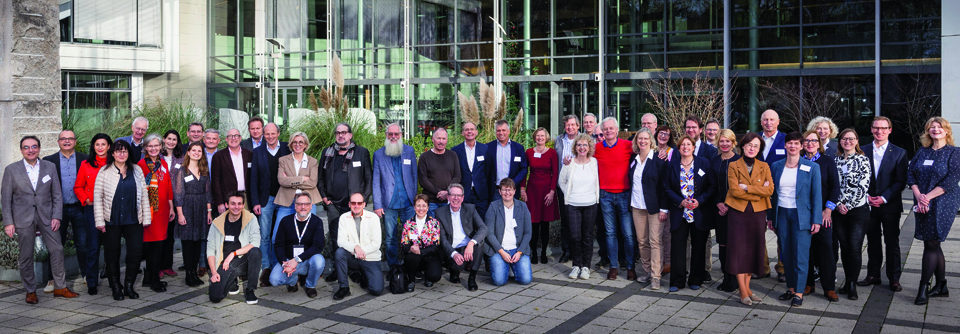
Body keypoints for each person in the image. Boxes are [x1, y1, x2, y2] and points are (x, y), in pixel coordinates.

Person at [2, 136, 79, 304]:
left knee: (57, 249)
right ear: (21, 150)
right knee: (26, 255)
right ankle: (30, 291)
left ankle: (60, 287)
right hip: (23, 218)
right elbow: (6, 199)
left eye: (34, 146)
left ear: (39, 148)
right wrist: (8, 222)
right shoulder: (11, 170)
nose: (31, 150)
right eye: (26, 147)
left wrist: (56, 216)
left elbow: (57, 195)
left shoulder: (49, 167)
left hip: (47, 216)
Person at [908, 117, 960, 305]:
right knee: (933, 243)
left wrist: (927, 197)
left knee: (931, 243)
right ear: (928, 131)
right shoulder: (923, 151)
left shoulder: (954, 152)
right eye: (932, 127)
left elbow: (952, 180)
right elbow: (911, 173)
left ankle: (923, 288)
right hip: (922, 201)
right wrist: (919, 195)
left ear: (947, 131)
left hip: (943, 202)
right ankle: (942, 286)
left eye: (939, 127)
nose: (935, 129)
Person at [768, 131, 823, 307]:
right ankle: (791, 288)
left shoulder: (812, 167)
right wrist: (770, 217)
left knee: (800, 254)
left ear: (801, 146)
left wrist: (816, 220)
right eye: (789, 143)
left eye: (796, 143)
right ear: (785, 145)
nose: (792, 146)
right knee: (786, 253)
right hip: (782, 213)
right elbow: (771, 195)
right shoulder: (776, 166)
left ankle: (799, 292)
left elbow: (817, 195)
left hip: (802, 216)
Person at [94, 140, 152, 301]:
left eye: (124, 151)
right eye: (118, 151)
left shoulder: (137, 170)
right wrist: (99, 221)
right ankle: (115, 287)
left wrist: (146, 217)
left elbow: (144, 197)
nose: (121, 154)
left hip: (133, 219)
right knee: (112, 255)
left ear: (128, 154)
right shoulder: (104, 171)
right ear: (112, 153)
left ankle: (128, 286)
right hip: (111, 220)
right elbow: (97, 198)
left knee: (135, 254)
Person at [319, 123, 373, 283]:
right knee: (337, 238)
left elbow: (368, 178)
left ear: (350, 135)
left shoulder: (361, 152)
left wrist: (363, 199)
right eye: (337, 133)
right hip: (333, 204)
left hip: (354, 205)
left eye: (344, 132)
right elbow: (320, 177)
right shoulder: (327, 152)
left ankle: (357, 269)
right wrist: (324, 197)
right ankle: (338, 269)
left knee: (357, 238)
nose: (340, 135)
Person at [859, 116, 908, 292]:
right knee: (872, 241)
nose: (879, 131)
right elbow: (858, 178)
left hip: (890, 205)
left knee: (891, 242)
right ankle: (873, 275)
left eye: (883, 128)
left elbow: (901, 181)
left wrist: (884, 198)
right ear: (871, 130)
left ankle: (894, 278)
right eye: (876, 128)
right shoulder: (862, 150)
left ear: (890, 130)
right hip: (868, 204)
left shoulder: (899, 152)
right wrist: (867, 197)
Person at [724, 132, 774, 305]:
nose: (752, 148)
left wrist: (748, 188)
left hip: (758, 214)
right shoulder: (733, 165)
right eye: (749, 145)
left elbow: (770, 190)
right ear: (742, 146)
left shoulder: (764, 166)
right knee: (739, 251)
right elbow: (735, 190)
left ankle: (748, 288)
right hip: (738, 214)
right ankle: (742, 291)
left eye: (756, 146)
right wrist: (757, 191)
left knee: (752, 250)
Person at [663, 135, 715, 292]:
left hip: (699, 211)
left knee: (699, 247)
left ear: (693, 147)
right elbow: (666, 187)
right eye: (682, 145)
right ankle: (677, 281)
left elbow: (711, 186)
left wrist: (700, 200)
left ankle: (696, 279)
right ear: (678, 148)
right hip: (680, 211)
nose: (685, 147)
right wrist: (680, 201)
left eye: (688, 144)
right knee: (678, 247)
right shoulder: (672, 165)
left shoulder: (704, 163)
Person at [40, 130, 89, 294]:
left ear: (75, 141)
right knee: (55, 245)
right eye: (63, 139)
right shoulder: (49, 161)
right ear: (58, 141)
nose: (67, 141)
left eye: (70, 139)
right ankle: (52, 279)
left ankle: (86, 274)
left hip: (79, 208)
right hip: (57, 211)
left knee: (82, 244)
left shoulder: (85, 159)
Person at [800, 130, 841, 301]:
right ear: (802, 144)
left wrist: (828, 210)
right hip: (803, 213)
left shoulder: (827, 161)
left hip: (823, 213)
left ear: (819, 143)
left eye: (814, 141)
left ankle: (829, 287)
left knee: (826, 250)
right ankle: (808, 283)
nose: (810, 143)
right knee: (806, 249)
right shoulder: (798, 162)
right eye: (807, 141)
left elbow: (835, 187)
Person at [595, 117, 636, 280]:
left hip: (624, 195)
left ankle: (631, 266)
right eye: (605, 129)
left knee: (628, 234)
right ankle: (613, 266)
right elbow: (581, 155)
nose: (608, 131)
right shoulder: (596, 148)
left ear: (617, 130)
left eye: (611, 128)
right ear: (602, 131)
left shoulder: (627, 146)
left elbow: (645, 151)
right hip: (605, 195)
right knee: (610, 233)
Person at [250, 122, 291, 286]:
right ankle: (266, 267)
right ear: (263, 135)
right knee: (265, 236)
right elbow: (253, 178)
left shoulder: (287, 149)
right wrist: (255, 202)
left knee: (280, 235)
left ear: (278, 133)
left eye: (273, 133)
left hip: (285, 198)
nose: (270, 136)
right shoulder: (258, 151)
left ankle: (279, 264)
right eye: (267, 134)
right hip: (265, 199)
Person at [373, 123, 418, 269]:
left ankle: (409, 265)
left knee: (411, 235)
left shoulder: (409, 151)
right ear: (386, 135)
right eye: (390, 134)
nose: (393, 137)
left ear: (401, 135)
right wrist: (378, 205)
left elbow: (414, 176)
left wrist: (416, 199)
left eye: (396, 134)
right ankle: (393, 267)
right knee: (390, 238)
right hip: (389, 203)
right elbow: (376, 181)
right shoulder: (378, 154)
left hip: (408, 202)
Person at [833, 128, 871, 300]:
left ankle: (853, 284)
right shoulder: (835, 161)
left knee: (855, 247)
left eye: (850, 139)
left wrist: (847, 204)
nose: (847, 141)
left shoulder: (863, 160)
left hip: (858, 211)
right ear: (840, 142)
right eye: (843, 139)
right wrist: (839, 204)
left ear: (856, 141)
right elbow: (833, 185)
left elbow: (863, 186)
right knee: (844, 247)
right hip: (838, 211)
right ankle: (847, 281)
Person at [628, 128, 667, 289]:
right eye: (640, 139)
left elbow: (665, 186)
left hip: (655, 207)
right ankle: (647, 271)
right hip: (637, 206)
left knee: (655, 241)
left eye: (645, 138)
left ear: (651, 140)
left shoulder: (659, 159)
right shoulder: (633, 159)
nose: (642, 141)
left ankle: (656, 276)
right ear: (636, 141)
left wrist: (664, 208)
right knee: (642, 241)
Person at [207, 191, 261, 304]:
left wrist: (233, 253)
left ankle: (250, 291)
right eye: (233, 203)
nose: (236, 207)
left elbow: (255, 242)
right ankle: (232, 282)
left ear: (243, 205)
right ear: (226, 205)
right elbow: (210, 248)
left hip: (243, 260)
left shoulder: (251, 219)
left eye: (239, 204)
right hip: (225, 264)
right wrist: (213, 272)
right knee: (215, 297)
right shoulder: (217, 223)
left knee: (256, 252)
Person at [74, 133, 112, 295]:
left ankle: (113, 279)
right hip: (92, 210)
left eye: (103, 144)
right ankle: (91, 282)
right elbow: (78, 187)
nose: (100, 147)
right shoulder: (86, 164)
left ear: (109, 146)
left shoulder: (115, 163)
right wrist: (86, 199)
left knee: (112, 247)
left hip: (111, 210)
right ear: (93, 146)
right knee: (93, 247)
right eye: (97, 144)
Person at [559, 134, 600, 281]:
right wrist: (569, 195)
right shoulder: (569, 163)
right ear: (575, 147)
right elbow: (561, 181)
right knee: (575, 236)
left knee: (587, 237)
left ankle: (586, 268)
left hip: (590, 204)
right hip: (573, 205)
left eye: (585, 145)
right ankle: (576, 265)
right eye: (579, 145)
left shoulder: (594, 162)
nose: (582, 147)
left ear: (589, 147)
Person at [137, 134, 175, 293]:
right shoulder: (141, 164)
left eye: (156, 145)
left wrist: (171, 206)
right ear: (145, 147)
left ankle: (150, 278)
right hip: (150, 211)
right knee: (153, 246)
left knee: (159, 245)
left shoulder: (163, 162)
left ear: (161, 147)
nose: (153, 148)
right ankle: (153, 279)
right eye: (150, 146)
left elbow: (168, 186)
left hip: (163, 211)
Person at [174, 142, 214, 287]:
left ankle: (195, 272)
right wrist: (180, 213)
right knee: (188, 243)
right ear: (189, 152)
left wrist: (209, 211)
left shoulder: (204, 170)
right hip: (187, 208)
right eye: (194, 150)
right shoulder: (182, 171)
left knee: (198, 241)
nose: (197, 153)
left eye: (199, 151)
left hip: (202, 208)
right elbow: (178, 194)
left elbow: (208, 192)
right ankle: (189, 274)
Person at [270, 193, 326, 297]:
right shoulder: (285, 221)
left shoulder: (317, 222)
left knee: (319, 261)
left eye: (306, 204)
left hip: (306, 260)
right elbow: (278, 245)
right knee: (274, 280)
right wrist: (285, 264)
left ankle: (310, 285)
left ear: (311, 205)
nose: (303, 207)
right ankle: (292, 280)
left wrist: (297, 260)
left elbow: (318, 246)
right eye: (300, 204)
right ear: (295, 206)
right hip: (288, 260)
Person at [333, 193, 384, 299]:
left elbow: (376, 244)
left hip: (370, 257)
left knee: (376, 290)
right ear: (349, 204)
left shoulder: (373, 218)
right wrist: (355, 247)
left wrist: (360, 251)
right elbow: (341, 241)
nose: (356, 206)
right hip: (353, 256)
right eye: (353, 203)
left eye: (359, 203)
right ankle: (344, 288)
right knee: (340, 253)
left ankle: (363, 276)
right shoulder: (344, 218)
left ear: (364, 204)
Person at [436, 183, 487, 291]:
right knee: (456, 265)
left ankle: (472, 278)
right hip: (452, 248)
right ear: (448, 197)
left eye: (459, 195)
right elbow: (443, 240)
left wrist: (471, 243)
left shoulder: (470, 209)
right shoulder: (440, 213)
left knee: (480, 243)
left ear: (463, 198)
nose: (456, 198)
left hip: (467, 246)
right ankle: (454, 271)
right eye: (453, 195)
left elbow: (483, 228)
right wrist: (454, 254)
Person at [520, 128, 559, 264]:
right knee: (533, 223)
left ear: (546, 137)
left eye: (542, 136)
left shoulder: (552, 153)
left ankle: (543, 252)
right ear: (534, 137)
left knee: (545, 223)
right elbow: (524, 171)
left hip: (547, 191)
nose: (540, 138)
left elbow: (555, 173)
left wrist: (552, 191)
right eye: (538, 136)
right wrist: (522, 189)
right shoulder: (529, 152)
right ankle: (533, 253)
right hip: (532, 191)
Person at [484, 178, 533, 286]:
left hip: (518, 248)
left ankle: (511, 267)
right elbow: (489, 233)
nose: (507, 193)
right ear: (500, 191)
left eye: (510, 189)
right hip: (498, 249)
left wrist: (519, 252)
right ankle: (507, 265)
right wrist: (501, 251)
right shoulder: (493, 207)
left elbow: (528, 233)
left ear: (515, 191)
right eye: (505, 190)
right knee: (499, 281)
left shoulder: (523, 207)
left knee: (526, 280)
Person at [709, 129, 740, 293]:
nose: (725, 144)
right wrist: (718, 204)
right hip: (719, 209)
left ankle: (734, 278)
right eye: (722, 141)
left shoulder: (740, 161)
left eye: (728, 141)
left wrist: (729, 204)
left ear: (733, 142)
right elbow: (710, 186)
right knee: (722, 244)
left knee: (734, 245)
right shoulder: (713, 161)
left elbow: (741, 188)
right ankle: (726, 277)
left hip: (735, 210)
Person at [759, 109, 786, 281]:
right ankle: (762, 267)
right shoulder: (755, 139)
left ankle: (782, 267)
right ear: (761, 122)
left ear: (778, 122)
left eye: (772, 119)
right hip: (758, 193)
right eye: (765, 119)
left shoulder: (786, 140)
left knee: (781, 231)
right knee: (758, 231)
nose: (768, 122)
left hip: (781, 192)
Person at [399, 194, 444, 291]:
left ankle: (428, 276)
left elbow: (435, 245)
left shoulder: (434, 223)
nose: (421, 208)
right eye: (418, 205)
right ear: (414, 207)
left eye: (424, 205)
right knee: (410, 258)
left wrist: (421, 251)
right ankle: (411, 280)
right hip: (414, 256)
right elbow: (403, 245)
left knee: (435, 276)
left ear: (428, 207)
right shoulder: (408, 223)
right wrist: (410, 248)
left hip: (430, 255)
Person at [552, 115, 580, 263]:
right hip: (562, 186)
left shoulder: (584, 140)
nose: (570, 127)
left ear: (578, 126)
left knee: (579, 221)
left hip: (579, 186)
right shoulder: (558, 140)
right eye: (567, 125)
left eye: (572, 125)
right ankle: (566, 250)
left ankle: (578, 252)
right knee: (565, 221)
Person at [275, 132, 320, 221]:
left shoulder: (312, 162)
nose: (297, 145)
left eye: (301, 142)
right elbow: (281, 180)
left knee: (307, 231)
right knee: (279, 230)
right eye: (294, 142)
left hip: (307, 201)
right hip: (287, 201)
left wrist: (290, 181)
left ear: (305, 145)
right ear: (291, 144)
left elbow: (313, 183)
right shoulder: (283, 160)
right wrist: (302, 179)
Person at [418, 128, 461, 217]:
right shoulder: (424, 157)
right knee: (432, 229)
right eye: (438, 138)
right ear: (433, 139)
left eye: (443, 138)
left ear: (447, 140)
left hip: (449, 201)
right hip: (431, 202)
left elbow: (457, 176)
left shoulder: (453, 155)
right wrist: (439, 193)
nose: (441, 141)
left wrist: (447, 192)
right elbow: (423, 179)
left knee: (448, 228)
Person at [453, 122, 491, 219]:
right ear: (462, 133)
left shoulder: (485, 149)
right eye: (466, 129)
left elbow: (489, 171)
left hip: (481, 194)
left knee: (482, 222)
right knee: (465, 222)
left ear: (476, 132)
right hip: (464, 193)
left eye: (472, 129)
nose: (469, 131)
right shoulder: (456, 150)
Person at [159, 130, 184, 279]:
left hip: (175, 201)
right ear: (163, 139)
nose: (171, 142)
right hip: (159, 201)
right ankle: (157, 266)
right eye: (169, 138)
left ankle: (167, 266)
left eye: (174, 139)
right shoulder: (156, 156)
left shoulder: (180, 158)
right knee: (159, 235)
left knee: (170, 236)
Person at [211, 129, 253, 214]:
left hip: (245, 197)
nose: (233, 138)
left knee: (246, 224)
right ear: (226, 139)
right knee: (229, 225)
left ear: (240, 138)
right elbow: (215, 182)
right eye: (230, 136)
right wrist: (220, 203)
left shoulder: (249, 154)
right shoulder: (218, 156)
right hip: (227, 198)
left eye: (236, 136)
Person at [485, 120, 528, 201]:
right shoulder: (488, 147)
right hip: (495, 190)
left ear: (508, 131)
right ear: (495, 132)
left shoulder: (518, 148)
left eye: (503, 130)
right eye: (498, 130)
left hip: (512, 190)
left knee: (511, 213)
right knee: (496, 213)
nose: (501, 133)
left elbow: (524, 169)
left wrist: (513, 183)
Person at [655, 125, 676, 274]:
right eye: (661, 133)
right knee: (654, 235)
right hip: (651, 198)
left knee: (667, 233)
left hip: (667, 198)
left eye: (667, 135)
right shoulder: (650, 149)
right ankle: (656, 261)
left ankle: (667, 262)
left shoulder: (672, 153)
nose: (663, 136)